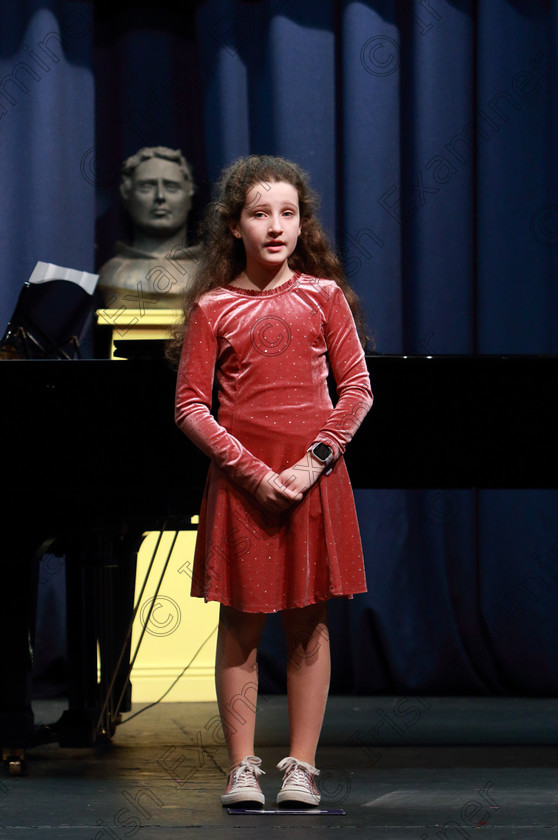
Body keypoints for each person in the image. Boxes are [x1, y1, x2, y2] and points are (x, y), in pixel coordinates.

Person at [171, 155, 373, 808]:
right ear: (235, 226)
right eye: (260, 214)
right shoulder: (213, 307)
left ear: (302, 223)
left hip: (312, 482)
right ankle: (241, 769)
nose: (275, 226)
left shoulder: (323, 297)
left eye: (287, 213)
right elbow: (191, 406)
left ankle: (302, 768)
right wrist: (256, 474)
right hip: (243, 487)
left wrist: (312, 462)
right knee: (242, 627)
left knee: (309, 628)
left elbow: (358, 391)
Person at [98, 146, 201, 309]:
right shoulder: (110, 273)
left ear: (189, 196)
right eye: (147, 186)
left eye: (171, 187)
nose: (160, 196)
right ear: (127, 195)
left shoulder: (210, 273)